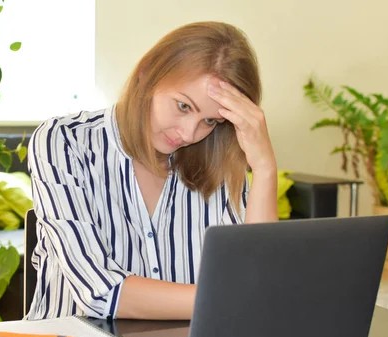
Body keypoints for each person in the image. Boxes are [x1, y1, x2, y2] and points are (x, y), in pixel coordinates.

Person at [25, 21, 278, 321]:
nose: (188, 133)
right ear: (147, 75)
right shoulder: (64, 141)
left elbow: (259, 280)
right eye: (183, 106)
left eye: (210, 121)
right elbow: (99, 292)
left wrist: (264, 167)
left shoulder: (217, 162)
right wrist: (228, 298)